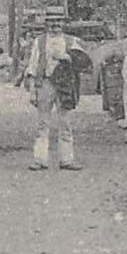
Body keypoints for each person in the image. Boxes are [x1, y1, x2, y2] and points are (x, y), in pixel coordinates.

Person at [23, 18, 85, 170]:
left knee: (65, 122)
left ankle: (67, 159)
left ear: (64, 23)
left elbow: (83, 63)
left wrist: (66, 57)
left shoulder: (72, 41)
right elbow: (32, 65)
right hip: (45, 84)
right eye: (51, 22)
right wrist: (32, 90)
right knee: (43, 123)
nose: (55, 25)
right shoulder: (40, 41)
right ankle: (40, 160)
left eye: (58, 22)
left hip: (64, 86)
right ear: (46, 24)